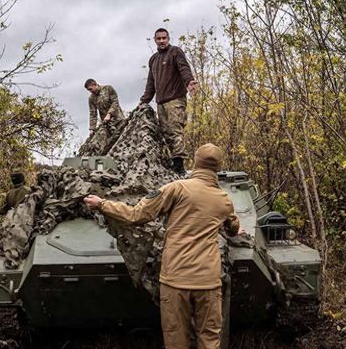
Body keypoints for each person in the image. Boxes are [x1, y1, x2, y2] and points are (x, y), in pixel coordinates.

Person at [84, 143, 240, 349]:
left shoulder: (177, 188)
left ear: (195, 162)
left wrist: (102, 204)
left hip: (176, 279)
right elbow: (233, 228)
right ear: (218, 168)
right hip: (208, 282)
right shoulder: (224, 200)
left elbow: (135, 215)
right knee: (210, 340)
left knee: (176, 340)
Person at [140, 28, 197, 175]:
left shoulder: (175, 52)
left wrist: (189, 81)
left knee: (175, 130)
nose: (161, 41)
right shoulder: (153, 59)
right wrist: (144, 101)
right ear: (155, 40)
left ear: (168, 38)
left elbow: (183, 68)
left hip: (175, 99)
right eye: (158, 39)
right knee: (165, 133)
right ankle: (171, 162)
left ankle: (179, 165)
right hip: (161, 102)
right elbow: (151, 83)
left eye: (164, 38)